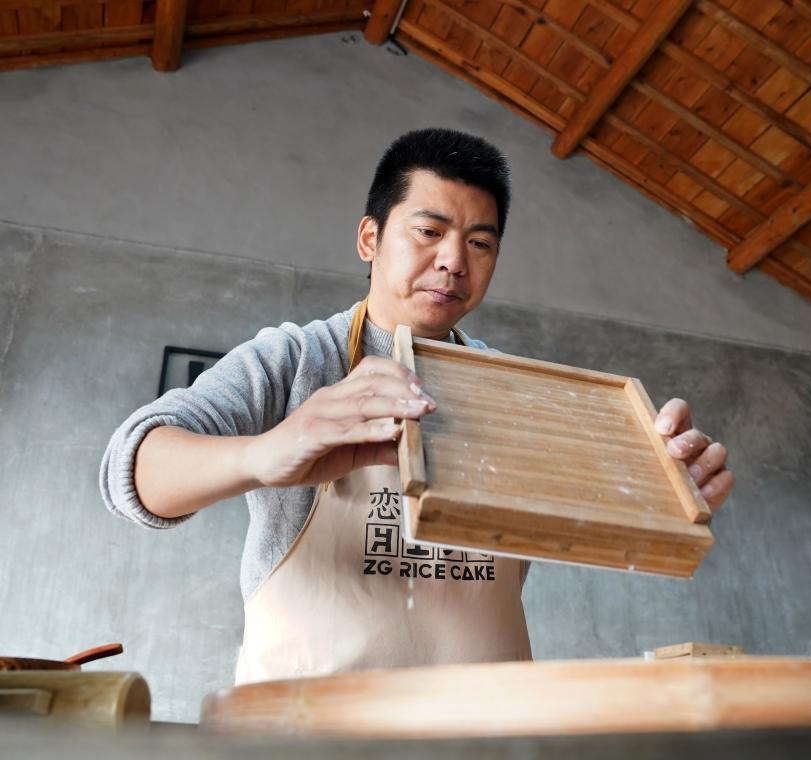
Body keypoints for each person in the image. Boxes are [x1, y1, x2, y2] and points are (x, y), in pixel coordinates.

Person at [100, 128, 734, 684]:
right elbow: (133, 470)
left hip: (488, 731)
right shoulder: (295, 359)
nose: (454, 261)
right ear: (370, 238)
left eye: (480, 244)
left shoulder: (518, 393)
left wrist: (663, 484)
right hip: (312, 734)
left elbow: (609, 520)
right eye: (430, 232)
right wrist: (270, 452)